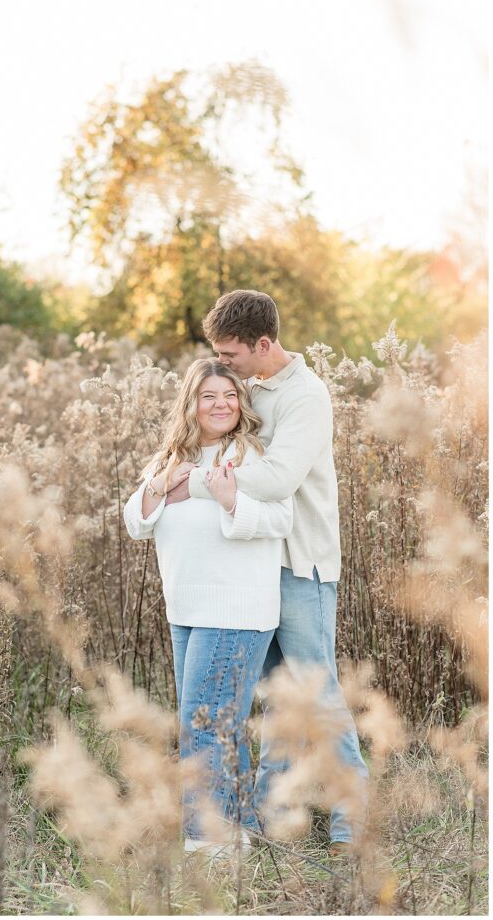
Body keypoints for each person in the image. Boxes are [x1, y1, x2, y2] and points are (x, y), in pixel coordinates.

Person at [165, 289, 368, 853]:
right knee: (277, 700)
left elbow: (277, 479)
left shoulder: (306, 396)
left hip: (301, 564)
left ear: (262, 344)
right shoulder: (250, 388)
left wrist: (193, 482)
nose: (222, 365)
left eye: (230, 355)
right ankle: (268, 816)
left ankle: (356, 819)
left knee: (315, 692)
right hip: (253, 566)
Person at [123, 358, 293, 858]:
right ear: (192, 404)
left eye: (230, 395)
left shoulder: (251, 455)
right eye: (209, 396)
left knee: (202, 723)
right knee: (218, 723)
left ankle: (207, 845)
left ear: (241, 403)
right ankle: (235, 836)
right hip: (187, 608)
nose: (221, 405)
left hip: (236, 608)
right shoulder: (171, 457)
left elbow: (281, 517)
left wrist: (230, 501)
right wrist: (160, 484)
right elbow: (137, 522)